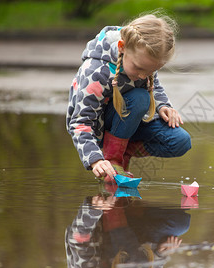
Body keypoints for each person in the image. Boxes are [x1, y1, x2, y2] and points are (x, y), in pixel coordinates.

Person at [66, 12, 191, 183]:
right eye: (139, 68)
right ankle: (112, 159)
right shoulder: (95, 73)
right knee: (140, 98)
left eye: (150, 71)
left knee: (180, 141)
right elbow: (80, 123)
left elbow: (154, 86)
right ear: (122, 47)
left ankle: (123, 150)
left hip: (130, 124)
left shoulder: (143, 63)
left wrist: (163, 106)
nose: (142, 75)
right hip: (102, 130)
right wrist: (95, 159)